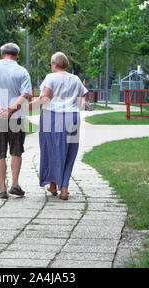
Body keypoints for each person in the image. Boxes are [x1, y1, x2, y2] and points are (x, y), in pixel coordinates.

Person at [29, 52, 88, 200]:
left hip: (52, 116)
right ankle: (63, 189)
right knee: (69, 152)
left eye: (51, 64)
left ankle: (54, 184)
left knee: (51, 150)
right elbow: (82, 99)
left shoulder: (51, 77)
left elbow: (45, 98)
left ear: (54, 64)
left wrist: (28, 106)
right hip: (72, 117)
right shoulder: (75, 79)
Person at [0, 43, 32, 199]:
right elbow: (25, 94)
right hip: (16, 117)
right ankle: (15, 184)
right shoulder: (22, 71)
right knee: (16, 151)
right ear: (16, 55)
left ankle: (2, 188)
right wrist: (11, 109)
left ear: (2, 54)